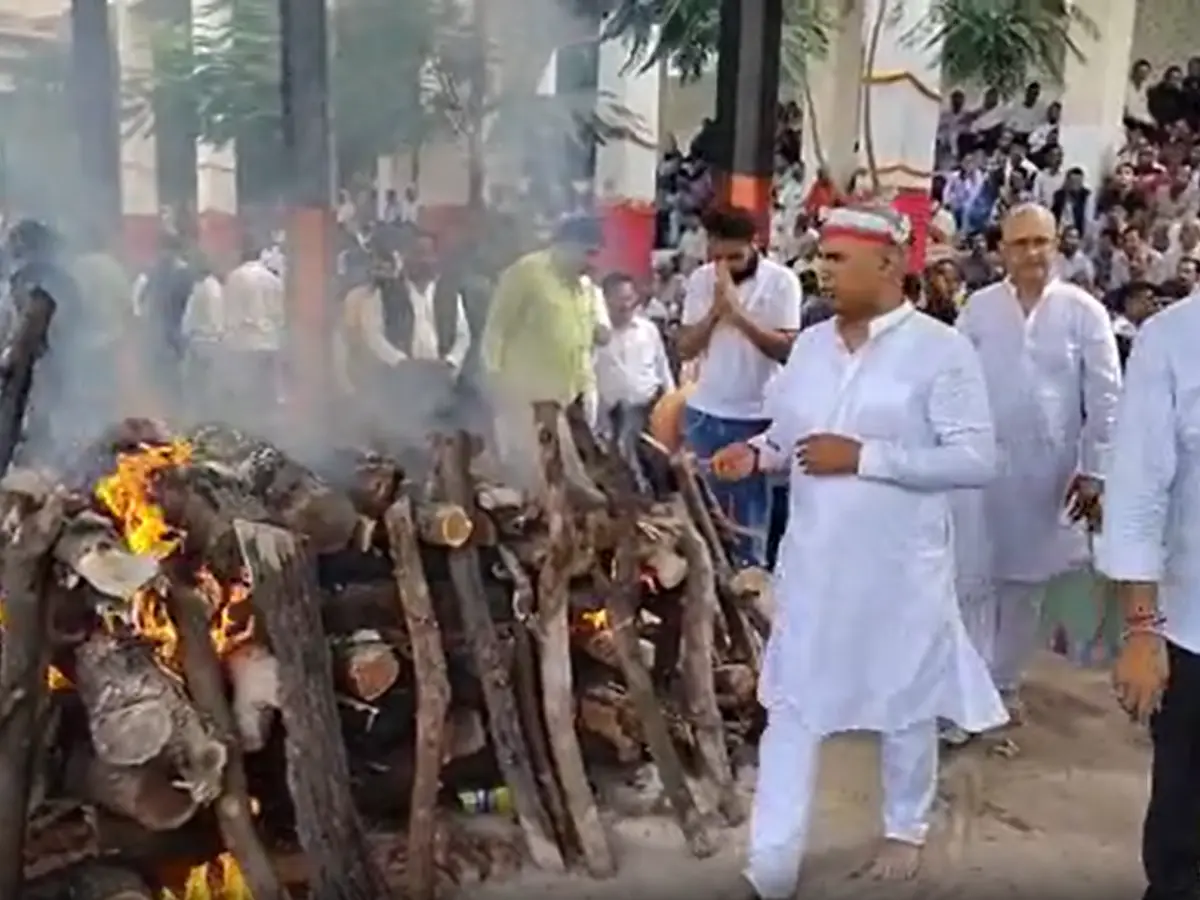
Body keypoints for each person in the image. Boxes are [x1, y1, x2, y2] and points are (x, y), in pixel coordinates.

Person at [713, 205, 1006, 899]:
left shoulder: (942, 349)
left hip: (899, 571)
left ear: (889, 266)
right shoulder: (812, 346)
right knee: (791, 706)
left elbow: (976, 458)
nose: (822, 269)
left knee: (903, 702)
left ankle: (905, 826)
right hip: (814, 567)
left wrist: (866, 457)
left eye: (838, 259)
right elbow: (790, 439)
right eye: (821, 257)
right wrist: (753, 456)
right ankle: (771, 865)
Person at [956, 203, 1122, 721]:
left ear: (1056, 245)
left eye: (1040, 242)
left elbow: (1107, 397)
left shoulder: (1082, 311)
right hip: (979, 467)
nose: (1031, 253)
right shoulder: (978, 309)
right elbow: (952, 382)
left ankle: (1003, 686)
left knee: (1026, 584)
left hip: (1050, 474)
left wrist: (1095, 470)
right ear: (1001, 250)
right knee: (972, 578)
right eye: (1020, 243)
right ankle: (968, 689)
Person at [1097, 293, 1200, 900]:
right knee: (1181, 831)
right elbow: (1137, 489)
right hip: (1191, 629)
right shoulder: (1173, 340)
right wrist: (1142, 629)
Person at [677, 205, 800, 567]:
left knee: (750, 525)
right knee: (704, 520)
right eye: (719, 256)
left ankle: (752, 600)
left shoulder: (781, 282)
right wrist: (715, 312)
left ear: (756, 244)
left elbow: (787, 350)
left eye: (736, 256)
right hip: (705, 413)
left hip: (757, 417)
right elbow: (685, 347)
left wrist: (738, 314)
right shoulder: (701, 280)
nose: (727, 265)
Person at [481, 215, 609, 499]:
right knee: (534, 478)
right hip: (526, 398)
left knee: (565, 478)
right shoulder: (526, 273)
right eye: (588, 253)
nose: (592, 262)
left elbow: (582, 340)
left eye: (596, 255)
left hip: (569, 397)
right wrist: (495, 379)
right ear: (566, 246)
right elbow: (496, 330)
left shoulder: (583, 286)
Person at [593, 271, 675, 491]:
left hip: (649, 410)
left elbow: (662, 368)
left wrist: (672, 405)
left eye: (629, 299)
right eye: (619, 300)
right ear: (605, 300)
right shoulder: (595, 336)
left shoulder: (647, 330)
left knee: (655, 466)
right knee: (621, 467)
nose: (626, 306)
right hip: (611, 417)